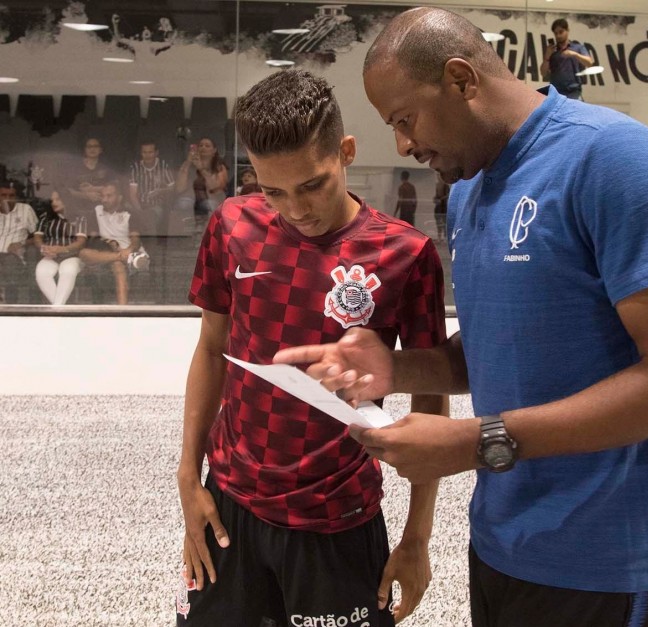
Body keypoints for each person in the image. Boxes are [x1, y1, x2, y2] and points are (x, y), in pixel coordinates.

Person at [274, 8, 648, 627]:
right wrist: (394, 367)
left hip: (608, 558)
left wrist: (475, 440)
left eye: (405, 120)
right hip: (503, 541)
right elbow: (499, 349)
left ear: (461, 79)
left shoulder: (616, 159)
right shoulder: (467, 189)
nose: (403, 144)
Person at [176, 69, 447, 627]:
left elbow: (430, 401)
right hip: (229, 503)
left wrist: (417, 537)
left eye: (312, 185)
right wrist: (188, 475)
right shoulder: (234, 225)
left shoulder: (405, 255)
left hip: (338, 519)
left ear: (345, 152)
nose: (294, 209)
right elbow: (210, 350)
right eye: (273, 190)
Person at [78, 181, 148, 305]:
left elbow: (136, 240)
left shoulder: (129, 213)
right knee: (84, 253)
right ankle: (122, 258)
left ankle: (122, 312)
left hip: (129, 252)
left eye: (109, 196)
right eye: (103, 196)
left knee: (118, 266)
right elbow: (92, 239)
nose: (104, 199)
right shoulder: (96, 211)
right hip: (108, 253)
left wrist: (129, 250)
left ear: (119, 198)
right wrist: (110, 243)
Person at [33, 190, 88, 305]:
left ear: (66, 200)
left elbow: (81, 242)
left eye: (58, 199)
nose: (54, 203)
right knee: (41, 272)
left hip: (72, 256)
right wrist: (44, 248)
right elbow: (37, 238)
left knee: (67, 271)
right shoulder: (46, 218)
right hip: (50, 256)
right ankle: (60, 309)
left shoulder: (79, 218)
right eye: (52, 200)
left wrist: (62, 249)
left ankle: (57, 310)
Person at [174, 136, 229, 230]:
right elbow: (179, 188)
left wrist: (202, 169)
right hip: (190, 199)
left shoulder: (219, 167)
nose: (203, 147)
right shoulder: (189, 165)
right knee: (182, 204)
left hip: (211, 199)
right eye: (201, 145)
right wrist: (188, 162)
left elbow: (216, 189)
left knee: (208, 205)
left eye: (207, 146)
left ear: (214, 150)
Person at [0, 184, 38, 304]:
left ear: (16, 197)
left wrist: (22, 243)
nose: (7, 198)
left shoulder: (25, 210)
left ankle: (12, 306)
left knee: (9, 261)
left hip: (13, 256)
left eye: (11, 195)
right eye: (3, 195)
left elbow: (39, 236)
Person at [129, 140, 176, 235]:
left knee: (150, 216)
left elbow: (173, 188)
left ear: (156, 153)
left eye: (150, 152)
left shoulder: (163, 165)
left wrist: (160, 191)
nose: (147, 155)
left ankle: (151, 245)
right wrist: (139, 211)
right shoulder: (135, 167)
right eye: (144, 152)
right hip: (138, 206)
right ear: (141, 153)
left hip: (157, 205)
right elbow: (132, 194)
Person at [540, 18, 594, 100]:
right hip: (556, 93)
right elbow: (543, 73)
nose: (558, 36)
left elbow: (590, 63)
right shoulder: (552, 51)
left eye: (561, 32)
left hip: (574, 91)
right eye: (556, 33)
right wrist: (547, 57)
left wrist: (575, 54)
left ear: (567, 30)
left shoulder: (577, 48)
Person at [432, 172, 449, 242]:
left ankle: (445, 237)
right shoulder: (437, 185)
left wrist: (440, 199)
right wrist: (435, 199)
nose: (438, 176)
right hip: (438, 206)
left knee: (444, 222)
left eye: (439, 175)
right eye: (437, 175)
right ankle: (439, 236)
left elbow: (448, 195)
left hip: (443, 206)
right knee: (438, 222)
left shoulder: (445, 185)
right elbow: (436, 195)